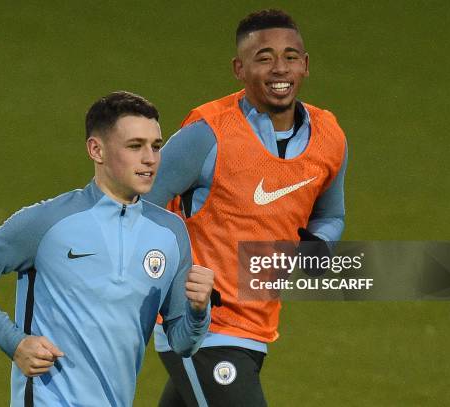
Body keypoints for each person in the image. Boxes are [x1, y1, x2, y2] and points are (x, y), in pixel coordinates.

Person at [0, 91, 214, 406]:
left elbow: (182, 343)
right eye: (134, 146)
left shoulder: (170, 233)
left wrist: (198, 310)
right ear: (96, 150)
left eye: (156, 146)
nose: (150, 159)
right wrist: (16, 344)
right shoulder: (49, 221)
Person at [143, 9, 348, 407]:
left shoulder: (329, 137)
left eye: (290, 56)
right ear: (239, 68)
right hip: (201, 328)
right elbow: (138, 203)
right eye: (264, 57)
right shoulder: (207, 135)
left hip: (256, 327)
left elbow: (330, 215)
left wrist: (320, 244)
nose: (279, 69)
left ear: (305, 65)